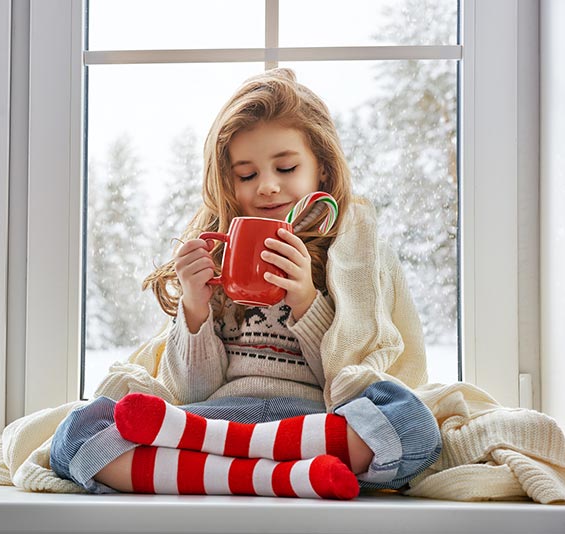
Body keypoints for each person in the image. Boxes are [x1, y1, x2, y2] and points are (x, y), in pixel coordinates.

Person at [50, 68, 441, 500]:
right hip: (216, 418)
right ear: (228, 181)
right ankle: (284, 478)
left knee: (413, 426)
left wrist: (307, 302)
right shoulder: (217, 251)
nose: (268, 186)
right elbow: (191, 390)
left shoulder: (353, 255)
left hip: (310, 421)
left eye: (286, 167)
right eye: (247, 174)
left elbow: (350, 376)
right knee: (78, 434)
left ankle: (221, 472)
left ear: (323, 171)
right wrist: (195, 311)